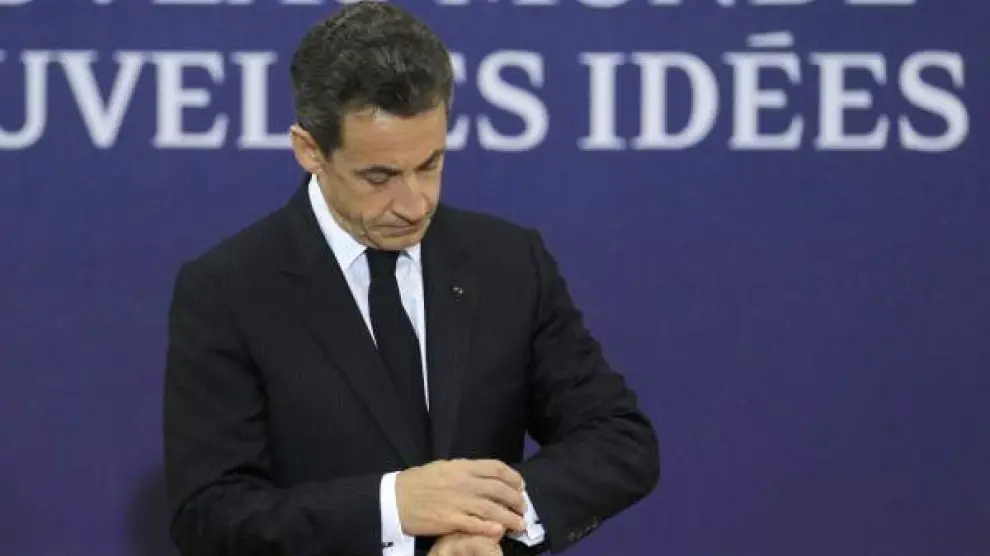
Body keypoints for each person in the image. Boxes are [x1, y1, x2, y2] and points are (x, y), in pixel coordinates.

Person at [162, 2, 659, 555]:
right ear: (310, 151)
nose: (414, 203)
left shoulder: (509, 262)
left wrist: (486, 524)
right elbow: (210, 515)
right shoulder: (228, 290)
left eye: (430, 164)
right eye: (379, 176)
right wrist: (392, 507)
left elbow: (619, 440)